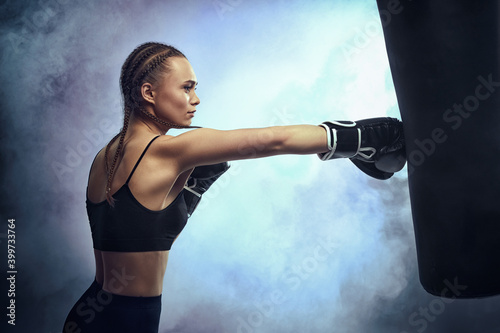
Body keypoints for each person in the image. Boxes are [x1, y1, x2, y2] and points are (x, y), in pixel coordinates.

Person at [62, 42, 405, 333]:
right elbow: (274, 140)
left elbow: (136, 234)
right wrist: (363, 137)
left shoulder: (104, 154)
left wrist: (184, 200)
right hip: (128, 321)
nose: (196, 99)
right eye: (187, 87)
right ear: (149, 93)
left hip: (89, 312)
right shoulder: (169, 150)